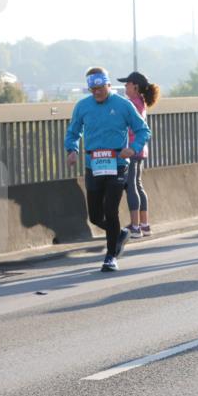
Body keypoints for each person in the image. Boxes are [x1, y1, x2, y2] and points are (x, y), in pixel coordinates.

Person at [65, 67, 150, 272]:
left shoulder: (124, 105)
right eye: (93, 89)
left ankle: (111, 256)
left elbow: (143, 130)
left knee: (111, 210)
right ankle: (119, 234)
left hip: (117, 165)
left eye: (100, 88)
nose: (97, 92)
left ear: (109, 85)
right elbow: (73, 132)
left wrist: (133, 148)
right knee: (95, 216)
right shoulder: (82, 106)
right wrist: (72, 150)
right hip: (93, 165)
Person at [118, 71, 160, 238]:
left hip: (132, 149)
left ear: (135, 86)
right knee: (137, 184)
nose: (125, 86)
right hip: (141, 149)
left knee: (131, 186)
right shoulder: (141, 102)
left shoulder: (131, 104)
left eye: (127, 84)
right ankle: (144, 224)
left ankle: (135, 226)